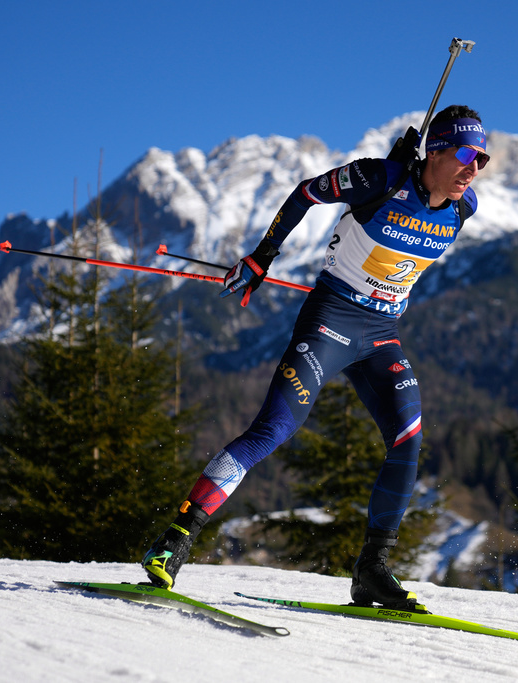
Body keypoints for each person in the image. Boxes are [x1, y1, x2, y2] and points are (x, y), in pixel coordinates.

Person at [141, 105, 489, 609]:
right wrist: (263, 255)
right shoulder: (378, 177)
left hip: (381, 334)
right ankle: (174, 539)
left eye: (481, 159)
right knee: (273, 429)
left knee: (408, 442)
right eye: (462, 154)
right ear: (433, 149)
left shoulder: (464, 207)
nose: (471, 168)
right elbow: (306, 192)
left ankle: (371, 571)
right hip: (331, 319)